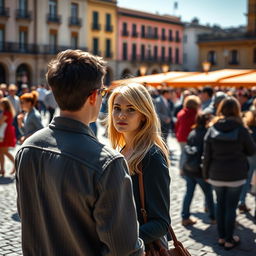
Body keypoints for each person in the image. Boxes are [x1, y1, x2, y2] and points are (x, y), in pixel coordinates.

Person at [15, 50, 144, 256]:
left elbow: (27, 215)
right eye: (102, 92)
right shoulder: (107, 163)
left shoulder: (28, 148)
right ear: (93, 96)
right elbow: (125, 248)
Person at [108, 83, 171, 251]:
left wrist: (121, 242)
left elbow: (161, 223)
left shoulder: (151, 157)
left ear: (143, 115)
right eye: (117, 108)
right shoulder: (121, 150)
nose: (121, 115)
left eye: (130, 109)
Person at [203, 96, 256, 250]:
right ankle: (228, 239)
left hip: (216, 175)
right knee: (230, 207)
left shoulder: (212, 128)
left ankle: (221, 237)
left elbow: (206, 156)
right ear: (237, 110)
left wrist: (206, 174)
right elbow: (252, 150)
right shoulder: (241, 129)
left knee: (220, 205)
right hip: (236, 175)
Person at [181, 113, 215, 226]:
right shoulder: (207, 133)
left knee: (188, 193)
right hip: (200, 171)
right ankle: (213, 217)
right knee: (208, 194)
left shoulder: (192, 132)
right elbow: (208, 155)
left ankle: (185, 217)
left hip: (189, 169)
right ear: (206, 121)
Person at [175, 95, 201, 174]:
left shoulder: (181, 112)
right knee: (188, 153)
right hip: (190, 136)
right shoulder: (196, 114)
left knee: (183, 152)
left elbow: (177, 125)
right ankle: (183, 169)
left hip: (181, 136)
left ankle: (181, 169)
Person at [0, 98, 16, 176]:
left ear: (4, 105)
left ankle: (15, 164)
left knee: (4, 151)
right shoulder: (6, 112)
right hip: (5, 132)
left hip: (5, 133)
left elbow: (0, 122)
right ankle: (2, 169)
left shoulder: (6, 112)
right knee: (1, 152)